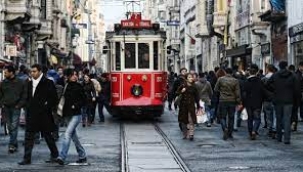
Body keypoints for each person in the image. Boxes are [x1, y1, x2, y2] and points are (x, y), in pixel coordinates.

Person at [18, 64, 59, 165]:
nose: (32, 73)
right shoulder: (29, 83)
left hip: (44, 114)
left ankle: (55, 155)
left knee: (47, 136)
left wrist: (46, 106)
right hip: (32, 113)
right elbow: (26, 96)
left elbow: (54, 98)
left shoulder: (48, 82)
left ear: (40, 71)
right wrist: (26, 105)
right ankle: (26, 159)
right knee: (28, 137)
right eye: (31, 71)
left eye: (34, 71)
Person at [56, 69, 87, 165]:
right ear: (68, 76)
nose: (75, 76)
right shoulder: (66, 86)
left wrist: (76, 105)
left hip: (76, 115)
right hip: (67, 115)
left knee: (67, 135)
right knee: (74, 137)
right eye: (73, 75)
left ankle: (62, 156)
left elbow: (84, 100)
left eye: (75, 74)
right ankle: (82, 155)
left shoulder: (79, 86)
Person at [268, 61, 300, 144]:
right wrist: (296, 99)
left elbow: (267, 84)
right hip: (289, 100)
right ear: (286, 66)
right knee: (287, 120)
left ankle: (279, 137)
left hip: (278, 99)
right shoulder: (293, 75)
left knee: (278, 119)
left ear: (279, 66)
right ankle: (287, 139)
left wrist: (274, 90)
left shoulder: (275, 75)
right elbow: (297, 89)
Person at [0, 65, 27, 153]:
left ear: (11, 72)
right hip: (6, 107)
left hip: (16, 107)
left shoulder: (20, 82)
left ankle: (12, 145)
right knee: (9, 127)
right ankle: (14, 143)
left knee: (14, 126)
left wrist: (19, 105)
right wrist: (2, 104)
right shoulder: (3, 83)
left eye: (6, 72)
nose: (4, 74)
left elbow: (24, 95)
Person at [214, 68, 241, 140]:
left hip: (223, 100)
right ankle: (230, 133)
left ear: (225, 72)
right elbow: (237, 93)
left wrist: (221, 92)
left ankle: (225, 128)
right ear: (232, 73)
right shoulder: (235, 81)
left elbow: (216, 89)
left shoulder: (220, 79)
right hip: (232, 101)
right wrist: (238, 102)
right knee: (231, 117)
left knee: (222, 117)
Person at [242, 64, 266, 140]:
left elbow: (243, 93)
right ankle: (254, 131)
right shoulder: (260, 81)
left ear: (249, 72)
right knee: (257, 119)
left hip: (248, 103)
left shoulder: (246, 81)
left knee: (250, 118)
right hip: (257, 103)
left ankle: (250, 132)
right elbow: (263, 92)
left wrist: (243, 102)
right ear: (256, 72)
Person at [176, 73, 200, 141]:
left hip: (191, 106)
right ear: (186, 78)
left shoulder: (194, 87)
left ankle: (191, 134)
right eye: (189, 77)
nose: (191, 78)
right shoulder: (183, 86)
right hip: (183, 106)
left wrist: (198, 106)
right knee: (184, 121)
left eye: (192, 77)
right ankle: (185, 134)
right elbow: (177, 93)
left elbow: (197, 97)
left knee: (191, 120)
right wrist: (181, 91)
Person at [262, 64, 276, 138]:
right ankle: (274, 129)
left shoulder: (264, 79)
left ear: (267, 69)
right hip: (275, 99)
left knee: (268, 116)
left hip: (266, 100)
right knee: (275, 115)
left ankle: (270, 129)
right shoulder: (277, 78)